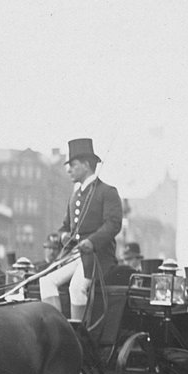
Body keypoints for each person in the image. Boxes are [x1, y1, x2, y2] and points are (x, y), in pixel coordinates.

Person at [38, 138, 123, 326]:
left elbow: (113, 224)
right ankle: (57, 329)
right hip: (76, 255)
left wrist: (92, 242)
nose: (69, 170)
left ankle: (77, 335)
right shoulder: (75, 195)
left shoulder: (107, 191)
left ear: (86, 165)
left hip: (98, 256)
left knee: (76, 288)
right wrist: (63, 236)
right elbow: (65, 226)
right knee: (46, 282)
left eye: (73, 165)